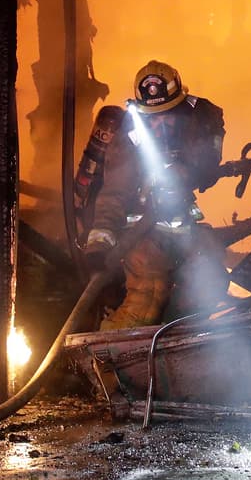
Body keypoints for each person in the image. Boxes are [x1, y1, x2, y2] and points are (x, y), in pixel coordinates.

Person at [81, 60, 230, 329]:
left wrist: (190, 171)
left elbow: (206, 165)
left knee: (212, 280)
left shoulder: (193, 128)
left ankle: (176, 338)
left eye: (168, 115)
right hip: (138, 233)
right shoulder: (130, 140)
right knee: (148, 292)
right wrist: (98, 245)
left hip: (179, 229)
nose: (161, 123)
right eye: (153, 118)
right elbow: (114, 194)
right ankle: (107, 350)